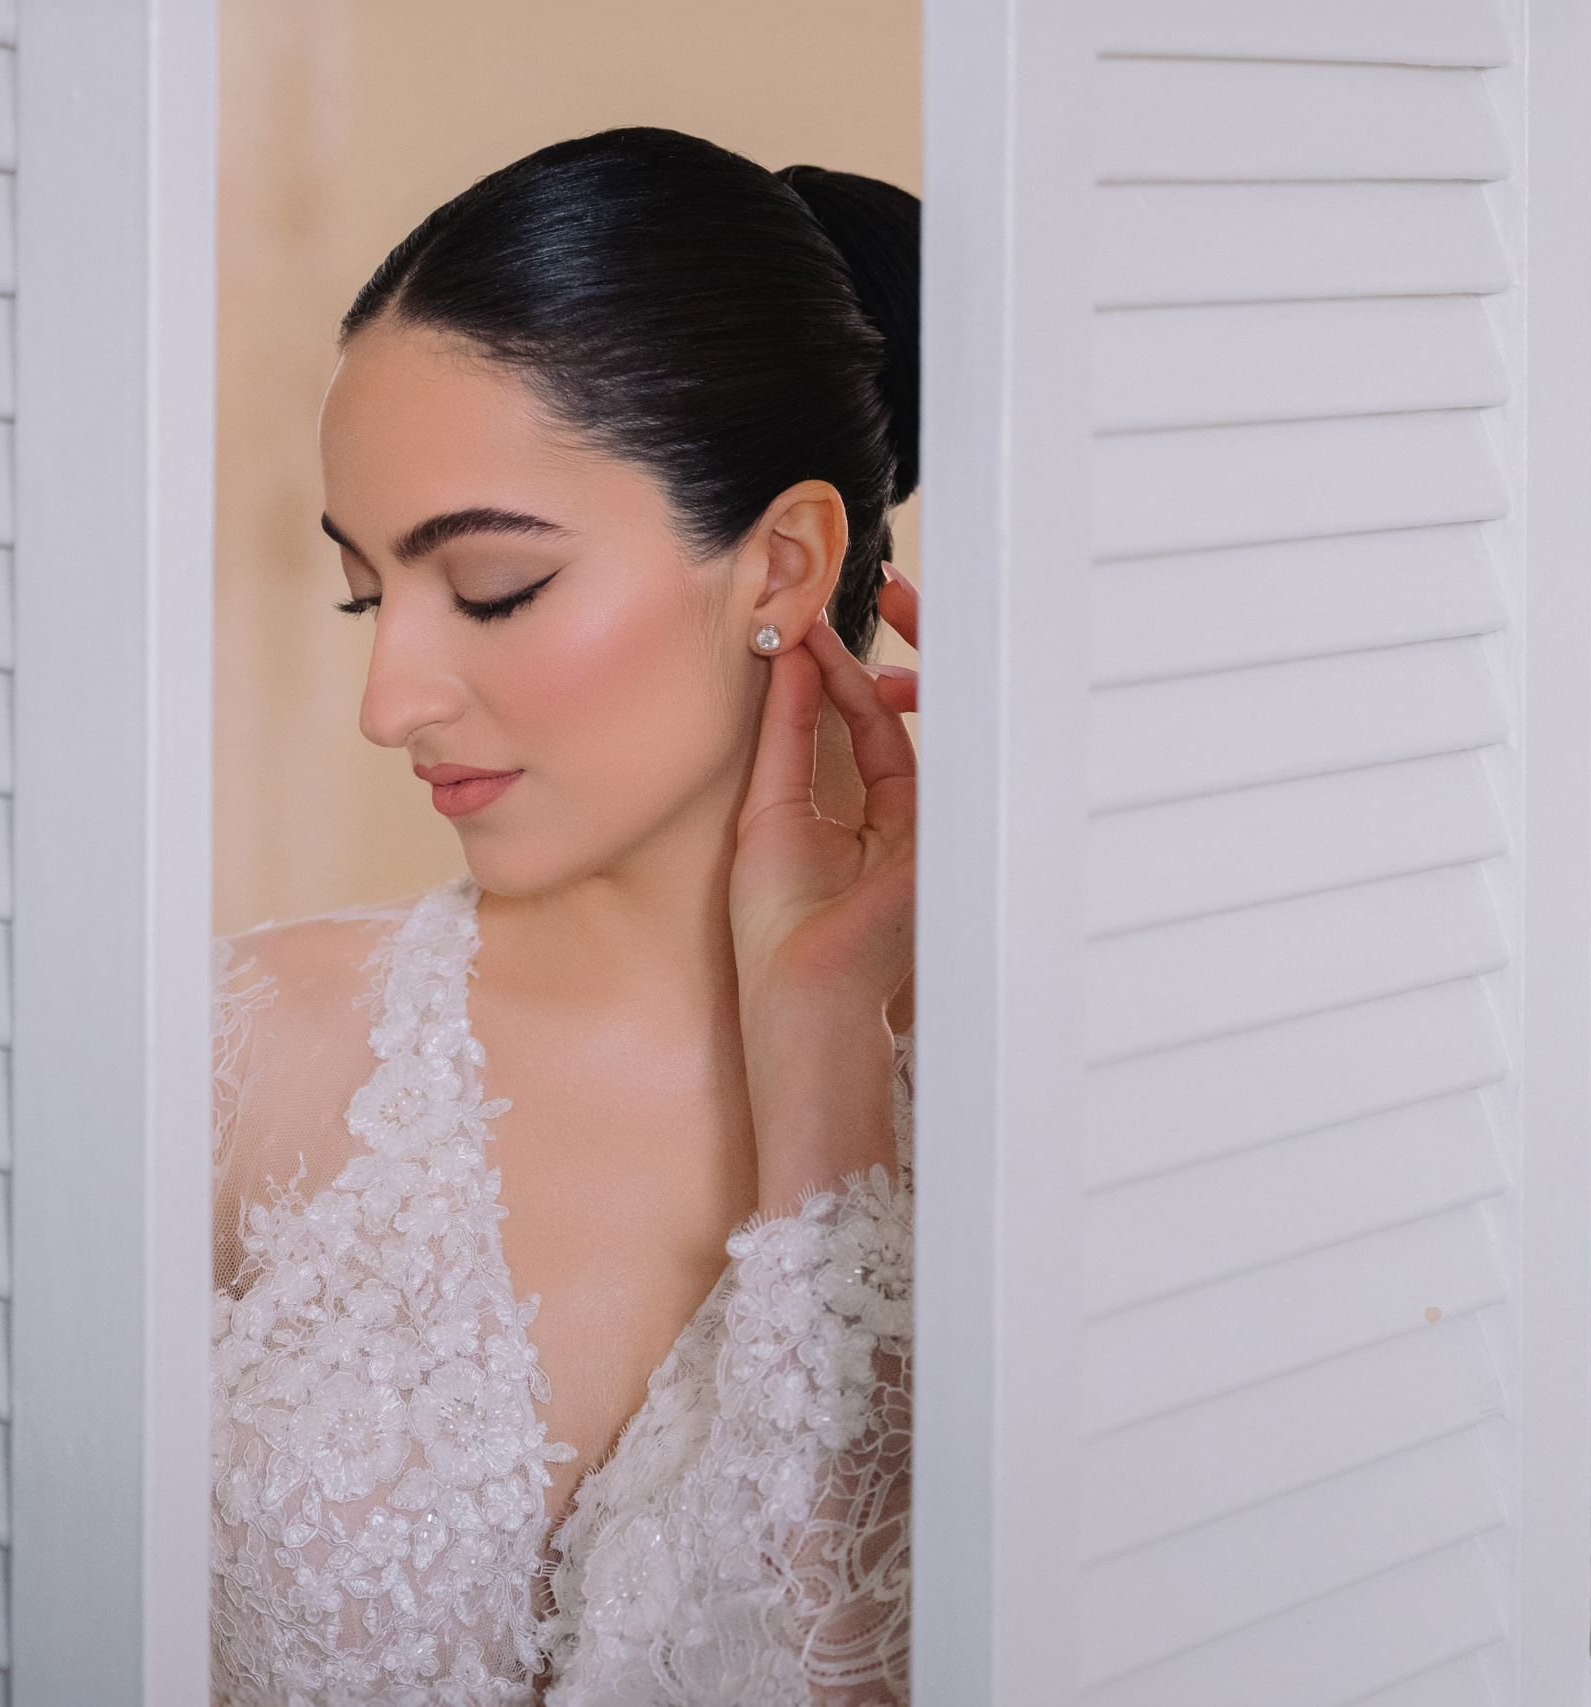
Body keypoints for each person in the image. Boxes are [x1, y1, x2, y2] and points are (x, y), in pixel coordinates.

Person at [210, 127, 921, 1706]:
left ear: (782, 565)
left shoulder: (1062, 1146)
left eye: (492, 588)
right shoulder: (236, 1059)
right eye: (364, 593)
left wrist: (822, 1049)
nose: (388, 701)